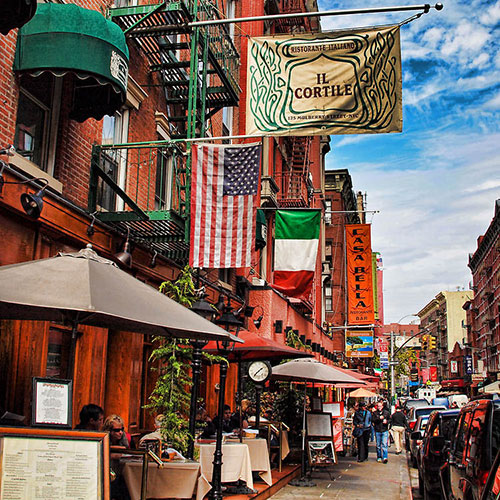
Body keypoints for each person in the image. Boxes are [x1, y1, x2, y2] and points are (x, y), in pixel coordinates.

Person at [103, 415, 130, 500]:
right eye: (116, 430)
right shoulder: (103, 441)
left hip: (121, 474)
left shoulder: (124, 440)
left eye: (122, 429)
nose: (120, 433)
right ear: (109, 431)